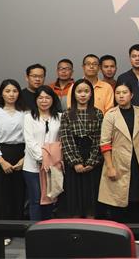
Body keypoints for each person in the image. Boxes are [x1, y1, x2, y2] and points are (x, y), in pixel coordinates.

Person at [98, 82, 139, 222]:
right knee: (118, 199)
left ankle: (135, 230)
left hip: (137, 161)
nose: (121, 96)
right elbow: (105, 143)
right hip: (117, 162)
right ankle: (119, 230)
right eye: (118, 93)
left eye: (124, 92)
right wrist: (110, 167)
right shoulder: (110, 115)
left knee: (136, 197)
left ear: (131, 95)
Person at [0, 79, 27, 245]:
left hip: (22, 154)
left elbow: (31, 138)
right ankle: (2, 232)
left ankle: (18, 228)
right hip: (1, 156)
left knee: (19, 193)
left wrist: (24, 158)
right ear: (1, 93)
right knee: (2, 194)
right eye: (7, 91)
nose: (11, 94)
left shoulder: (26, 113)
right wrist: (2, 161)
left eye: (15, 91)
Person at [59, 79, 103, 218]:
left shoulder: (98, 113)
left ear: (91, 94)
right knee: (74, 195)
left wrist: (92, 162)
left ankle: (92, 221)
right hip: (74, 155)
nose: (83, 94)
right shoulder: (67, 114)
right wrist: (75, 162)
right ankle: (76, 221)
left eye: (86, 91)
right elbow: (66, 139)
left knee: (92, 195)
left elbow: (99, 139)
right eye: (79, 91)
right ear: (74, 94)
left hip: (92, 157)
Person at [23, 85, 62, 220]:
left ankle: (47, 228)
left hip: (52, 166)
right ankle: (35, 229)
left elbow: (60, 141)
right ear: (36, 100)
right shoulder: (28, 117)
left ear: (53, 99)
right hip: (32, 166)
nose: (44, 101)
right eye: (40, 98)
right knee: (36, 200)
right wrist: (42, 158)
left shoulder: (60, 117)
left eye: (47, 98)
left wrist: (50, 161)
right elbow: (29, 141)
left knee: (50, 200)